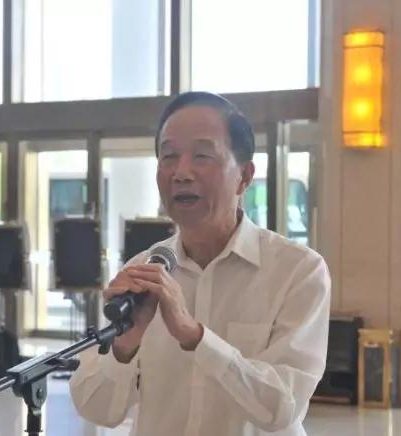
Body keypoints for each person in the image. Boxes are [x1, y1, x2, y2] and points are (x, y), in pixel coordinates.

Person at [70, 92, 331, 436]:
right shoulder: (142, 273)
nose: (181, 173)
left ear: (245, 176)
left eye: (202, 156)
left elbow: (282, 408)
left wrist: (195, 337)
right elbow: (97, 409)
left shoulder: (298, 271)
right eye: (168, 156)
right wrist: (124, 345)